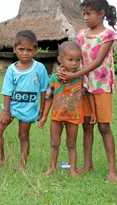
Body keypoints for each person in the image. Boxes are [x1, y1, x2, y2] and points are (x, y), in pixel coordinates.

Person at [57, 0, 117, 183]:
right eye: (83, 14)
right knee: (86, 125)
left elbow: (98, 62)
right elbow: (73, 57)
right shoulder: (81, 35)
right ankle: (87, 164)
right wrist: (63, 69)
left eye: (89, 13)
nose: (85, 17)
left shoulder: (108, 35)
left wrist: (74, 75)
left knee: (104, 126)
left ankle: (112, 170)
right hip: (83, 87)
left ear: (101, 14)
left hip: (101, 86)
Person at [0, 30, 49, 169]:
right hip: (11, 107)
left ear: (35, 50)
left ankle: (22, 164)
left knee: (23, 135)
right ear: (15, 49)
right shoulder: (12, 69)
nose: (25, 53)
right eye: (21, 49)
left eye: (29, 50)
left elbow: (44, 90)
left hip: (29, 109)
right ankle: (0, 158)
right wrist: (6, 111)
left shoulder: (40, 68)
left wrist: (42, 109)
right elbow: (7, 92)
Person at [39, 41, 93, 177]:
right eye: (70, 60)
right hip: (56, 116)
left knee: (71, 144)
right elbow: (49, 97)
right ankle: (52, 168)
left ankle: (73, 169)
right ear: (60, 59)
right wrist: (44, 116)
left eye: (78, 60)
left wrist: (92, 112)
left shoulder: (81, 78)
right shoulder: (54, 78)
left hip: (73, 117)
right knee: (54, 143)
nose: (75, 63)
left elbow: (89, 94)